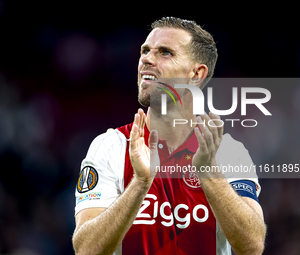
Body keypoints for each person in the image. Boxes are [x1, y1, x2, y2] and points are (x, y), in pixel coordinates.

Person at [72, 17, 266, 255]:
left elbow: (252, 246)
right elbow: (86, 249)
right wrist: (140, 184)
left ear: (196, 74)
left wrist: (209, 173)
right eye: (145, 50)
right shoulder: (111, 146)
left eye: (165, 52)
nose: (146, 59)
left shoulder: (227, 152)